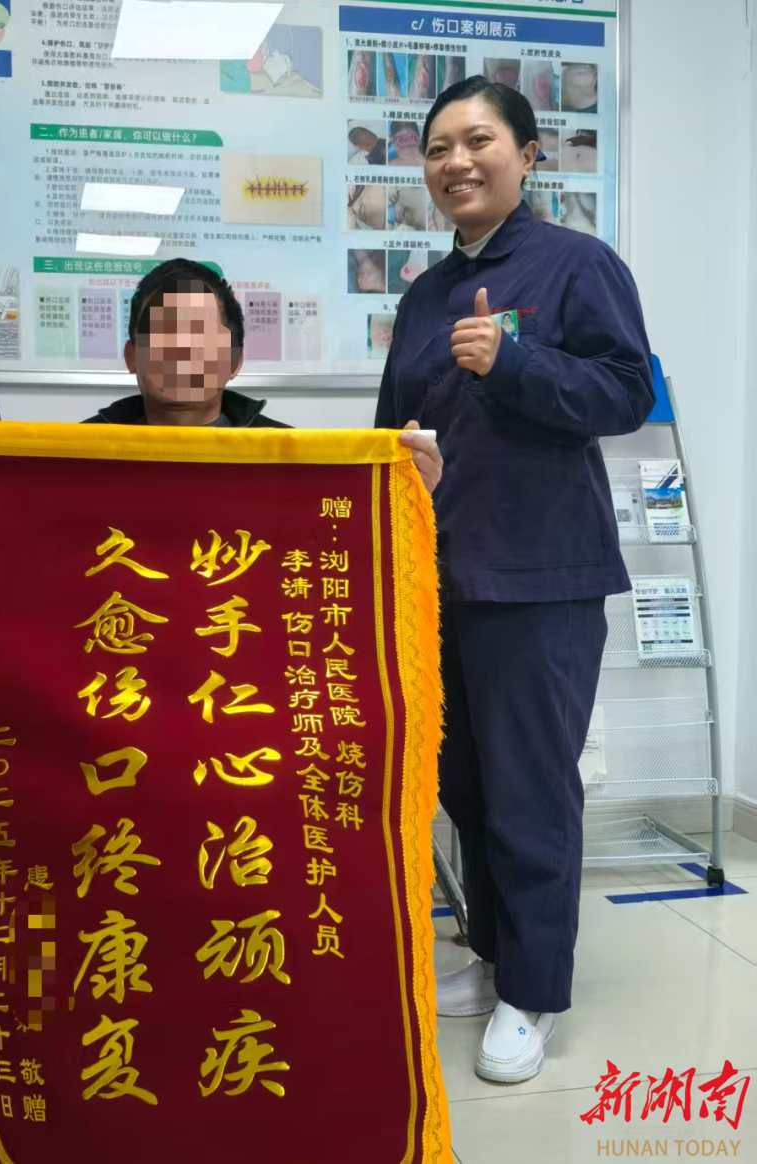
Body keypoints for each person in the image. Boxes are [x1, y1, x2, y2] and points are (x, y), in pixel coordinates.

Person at [375, 76, 653, 1084]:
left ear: (529, 155)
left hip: (540, 578)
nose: (456, 162)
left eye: (478, 140)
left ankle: (532, 993)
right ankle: (494, 957)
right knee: (465, 786)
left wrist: (516, 362)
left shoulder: (579, 264)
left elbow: (627, 393)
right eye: (437, 147)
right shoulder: (423, 293)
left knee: (531, 789)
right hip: (439, 580)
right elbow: (393, 430)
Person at [0, 258, 442, 492]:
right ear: (131, 355)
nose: (181, 347)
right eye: (163, 332)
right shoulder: (74, 458)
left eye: (201, 332)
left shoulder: (293, 460)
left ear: (235, 360)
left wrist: (408, 492)